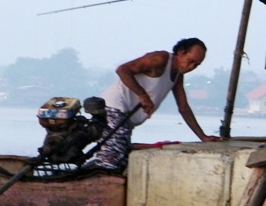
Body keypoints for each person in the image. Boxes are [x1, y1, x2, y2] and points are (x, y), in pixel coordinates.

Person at [94, 37, 222, 172]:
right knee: (113, 155)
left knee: (121, 156)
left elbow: (183, 108)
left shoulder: (178, 75)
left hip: (127, 116)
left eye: (196, 65)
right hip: (114, 105)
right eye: (190, 61)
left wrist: (203, 137)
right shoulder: (160, 59)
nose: (191, 67)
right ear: (181, 52)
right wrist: (142, 95)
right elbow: (122, 70)